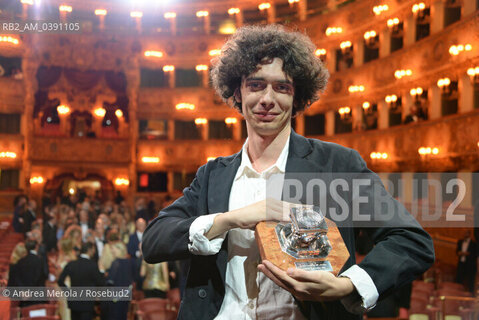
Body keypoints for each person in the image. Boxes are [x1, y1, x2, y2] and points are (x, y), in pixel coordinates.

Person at [142, 25, 434, 319]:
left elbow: (411, 240)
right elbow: (154, 240)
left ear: (297, 98)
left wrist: (347, 285)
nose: (267, 98)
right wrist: (230, 219)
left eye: (282, 87)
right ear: (238, 92)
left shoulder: (336, 165)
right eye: (256, 85)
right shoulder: (212, 175)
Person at [58, 242, 105, 320]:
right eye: (93, 249)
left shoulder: (71, 264)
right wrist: (102, 272)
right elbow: (100, 283)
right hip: (87, 304)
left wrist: (68, 293)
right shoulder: (92, 265)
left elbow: (60, 281)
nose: (94, 251)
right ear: (89, 250)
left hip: (73, 302)